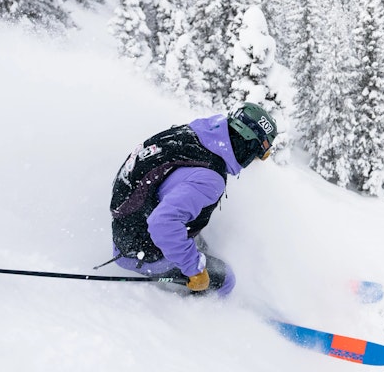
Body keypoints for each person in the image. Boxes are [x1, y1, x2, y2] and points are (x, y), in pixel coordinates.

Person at [105, 102, 277, 295]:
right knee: (226, 279)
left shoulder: (197, 134)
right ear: (248, 145)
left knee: (204, 246)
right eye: (257, 155)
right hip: (140, 249)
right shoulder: (210, 178)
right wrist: (194, 270)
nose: (253, 162)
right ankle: (195, 318)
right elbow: (162, 223)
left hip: (129, 226)